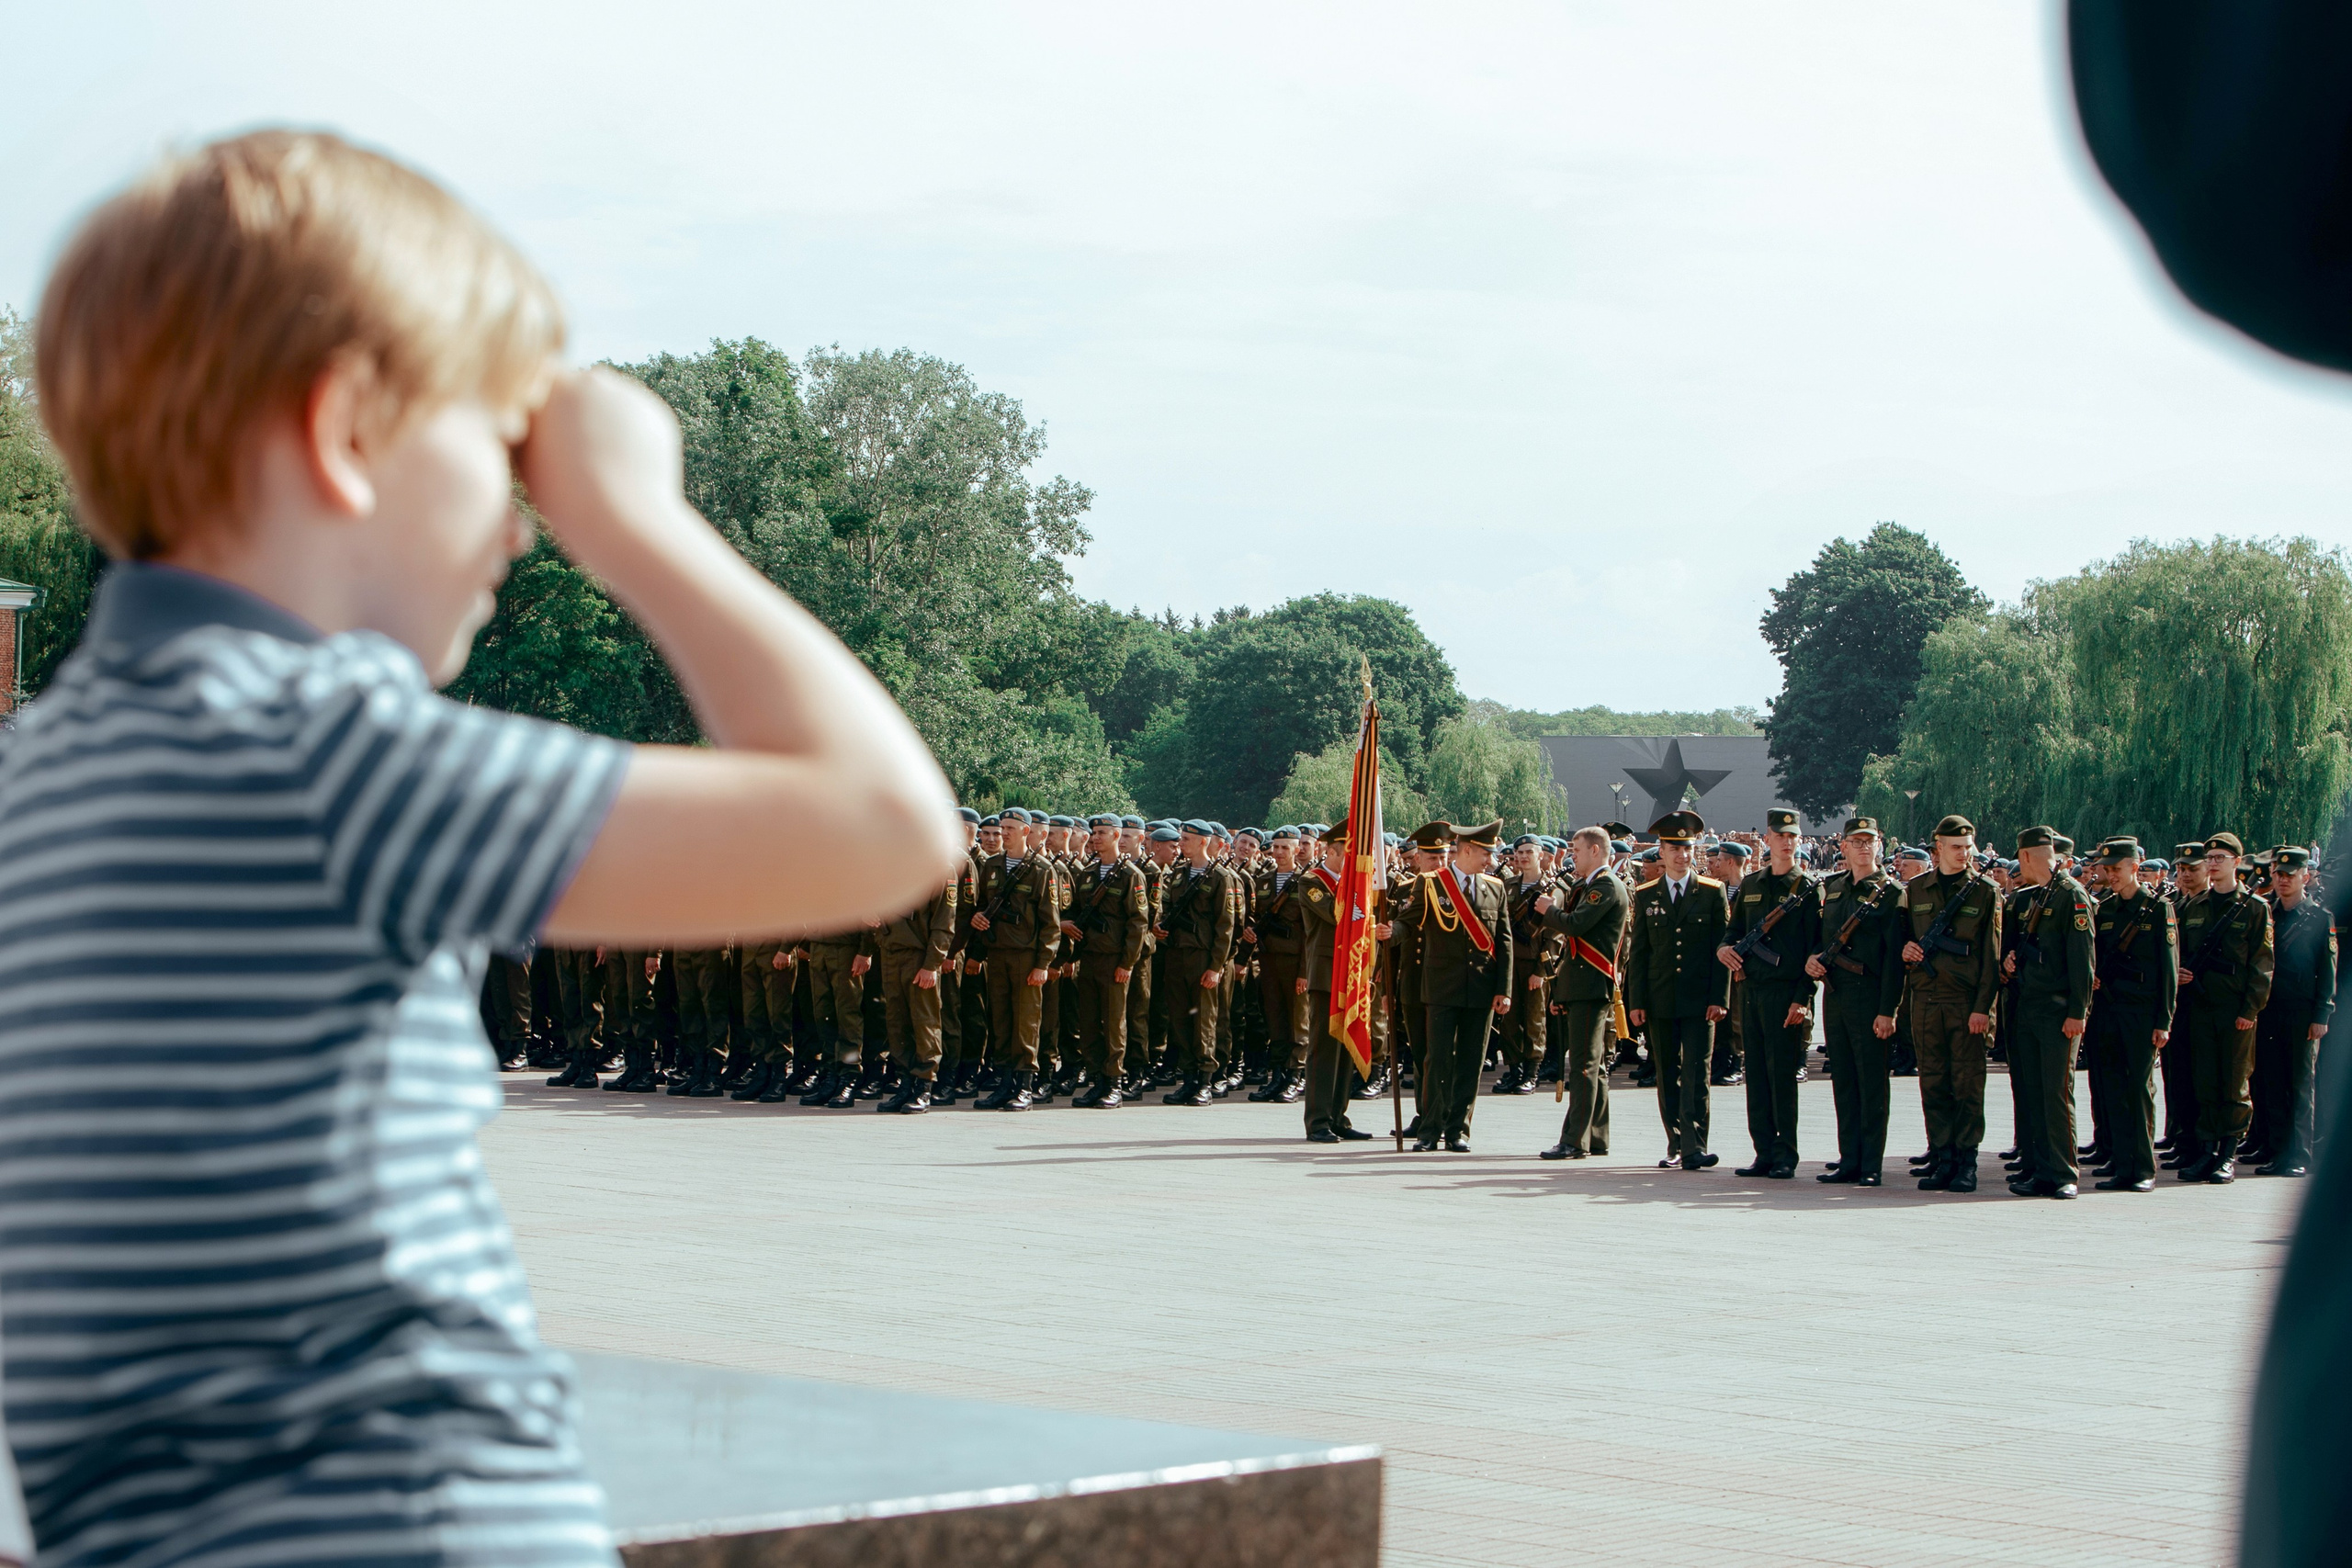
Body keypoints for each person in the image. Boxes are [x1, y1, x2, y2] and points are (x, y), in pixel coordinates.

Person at [0, 130, 961, 1568]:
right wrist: (639, 520)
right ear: (344, 432)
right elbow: (885, 827)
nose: (523, 523)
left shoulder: (40, 782)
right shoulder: (328, 757)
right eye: (504, 445)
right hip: (416, 1519)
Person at [1901, 816, 2003, 1193]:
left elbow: (1991, 960)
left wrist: (1983, 1009)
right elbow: (1905, 938)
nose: (1964, 854)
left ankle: (1966, 1162)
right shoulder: (1916, 889)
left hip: (1965, 1004)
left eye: (1968, 848)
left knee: (1968, 1084)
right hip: (1925, 999)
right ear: (1938, 847)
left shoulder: (1985, 891)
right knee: (1933, 1083)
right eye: (1956, 847)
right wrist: (1906, 949)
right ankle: (1942, 1158)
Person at [1624, 811, 1730, 1171]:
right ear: (1662, 851)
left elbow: (1721, 952)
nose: (1682, 855)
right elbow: (1638, 954)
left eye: (1687, 848)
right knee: (1667, 1072)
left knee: (1697, 1072)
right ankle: (1675, 1142)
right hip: (1660, 997)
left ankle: (1694, 1145)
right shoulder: (1647, 894)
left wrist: (1720, 998)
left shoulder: (1713, 893)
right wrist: (1635, 1001)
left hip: (1701, 1000)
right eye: (1674, 848)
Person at [1399, 819, 1513, 1152]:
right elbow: (1411, 919)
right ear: (1467, 850)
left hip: (1481, 988)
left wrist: (1503, 989)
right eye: (1485, 853)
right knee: (1437, 1060)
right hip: (1441, 987)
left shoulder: (1495, 888)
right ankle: (1429, 1130)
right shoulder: (1431, 883)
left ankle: (1458, 1129)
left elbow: (1503, 942)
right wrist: (1391, 929)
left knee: (1470, 1061)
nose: (1490, 860)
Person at [1719, 809, 1820, 1179]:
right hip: (1750, 990)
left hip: (1784, 994)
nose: (1787, 841)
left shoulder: (1808, 888)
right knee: (1756, 1075)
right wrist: (1724, 949)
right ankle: (1763, 1151)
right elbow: (1733, 931)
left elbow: (1816, 949)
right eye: (1781, 835)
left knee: (1782, 1077)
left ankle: (1785, 1154)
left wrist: (1802, 998)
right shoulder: (1751, 885)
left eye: (1793, 836)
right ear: (1768, 838)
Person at [1807, 817, 1905, 1185]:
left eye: (1870, 841)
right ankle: (1849, 1158)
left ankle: (1871, 1164)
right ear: (1843, 847)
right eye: (1856, 841)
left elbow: (1895, 959)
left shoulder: (1893, 892)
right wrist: (1812, 957)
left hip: (1870, 997)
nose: (1864, 847)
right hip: (1835, 995)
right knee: (1844, 1080)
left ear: (1879, 845)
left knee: (1871, 1082)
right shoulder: (1832, 888)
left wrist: (1887, 1010)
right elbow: (1821, 937)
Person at [2000, 827, 2096, 1198]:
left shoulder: (2072, 896)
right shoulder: (2030, 898)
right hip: (2028, 1007)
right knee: (2032, 1091)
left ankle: (2063, 1172)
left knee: (2056, 1093)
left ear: (2025, 857)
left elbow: (2082, 963)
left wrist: (2078, 1012)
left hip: (2058, 1012)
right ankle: (2040, 1168)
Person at [2175, 833, 2275, 1182]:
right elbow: (2179, 951)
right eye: (2210, 858)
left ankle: (2228, 1155)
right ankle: (2206, 1150)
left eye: (2220, 857)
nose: (2214, 863)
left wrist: (2251, 1010)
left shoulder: (2254, 907)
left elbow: (2262, 966)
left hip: (2236, 1010)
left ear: (2237, 862)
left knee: (2234, 1082)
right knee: (2205, 1080)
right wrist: (2180, 971)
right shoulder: (2194, 906)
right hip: (2201, 1006)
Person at [1538, 825, 1629, 1160]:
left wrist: (1548, 910)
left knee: (1584, 1065)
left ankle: (1575, 1140)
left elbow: (1576, 926)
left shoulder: (1605, 886)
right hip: (1580, 983)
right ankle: (1596, 1136)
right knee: (1594, 1065)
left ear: (1595, 851)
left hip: (1592, 984)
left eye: (1576, 850)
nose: (1571, 856)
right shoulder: (1588, 885)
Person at [2251, 847, 2335, 1177]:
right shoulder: (2267, 913)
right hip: (2269, 1010)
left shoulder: (2319, 918)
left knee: (2300, 1084)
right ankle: (2277, 1149)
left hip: (2301, 1012)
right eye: (2278, 875)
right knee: (2272, 1081)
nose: (2282, 881)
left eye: (2289, 875)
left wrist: (2321, 1014)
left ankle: (2299, 1154)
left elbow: (2326, 972)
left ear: (2305, 876)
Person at [1297, 818, 1377, 1143]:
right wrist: (1356, 887)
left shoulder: (1357, 884)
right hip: (1327, 973)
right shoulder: (1311, 881)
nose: (1353, 859)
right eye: (1347, 851)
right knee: (1323, 1048)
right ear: (1329, 851)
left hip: (1352, 972)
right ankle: (1317, 1120)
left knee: (1347, 1046)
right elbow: (1336, 914)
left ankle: (1338, 1116)